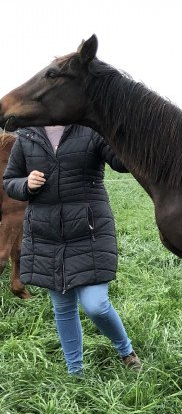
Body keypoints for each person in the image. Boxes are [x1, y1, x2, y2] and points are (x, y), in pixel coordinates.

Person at [3, 125, 141, 375]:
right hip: (47, 235)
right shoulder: (27, 136)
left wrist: (126, 124)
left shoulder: (91, 129)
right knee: (63, 308)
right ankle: (75, 371)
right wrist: (26, 184)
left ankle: (126, 351)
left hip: (90, 231)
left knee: (96, 305)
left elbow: (122, 162)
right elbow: (10, 181)